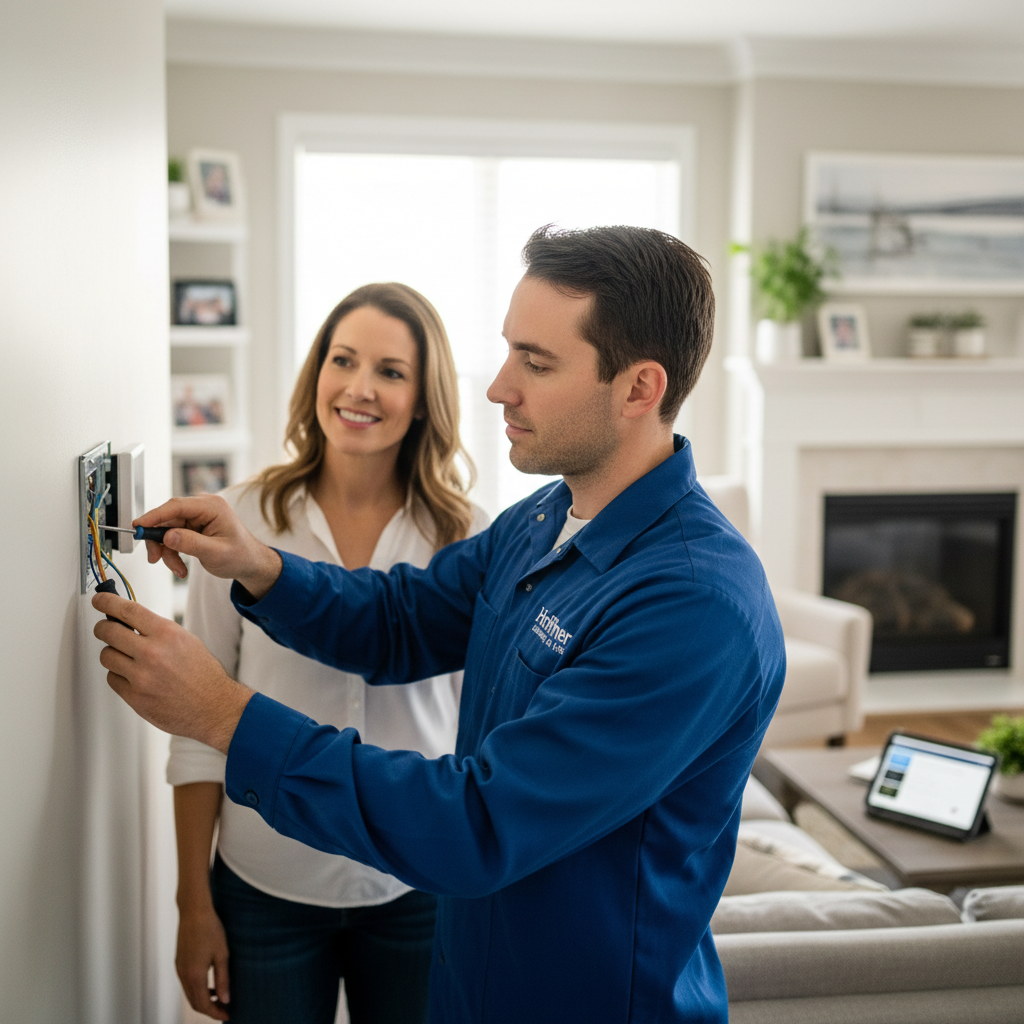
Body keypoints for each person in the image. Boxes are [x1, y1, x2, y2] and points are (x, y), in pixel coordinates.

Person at [95, 225, 786, 1024]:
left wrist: (223, 713)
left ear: (638, 389)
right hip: (471, 980)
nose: (498, 387)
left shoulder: (694, 607)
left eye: (536, 361)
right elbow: (401, 619)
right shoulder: (547, 516)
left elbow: (478, 824)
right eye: (508, 352)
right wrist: (261, 565)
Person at [169, 282, 487, 1023]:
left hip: (418, 889)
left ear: (424, 398)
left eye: (391, 371)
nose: (359, 388)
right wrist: (193, 904)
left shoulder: (470, 537)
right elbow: (196, 729)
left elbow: (484, 732)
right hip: (264, 883)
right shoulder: (240, 521)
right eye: (342, 360)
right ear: (315, 372)